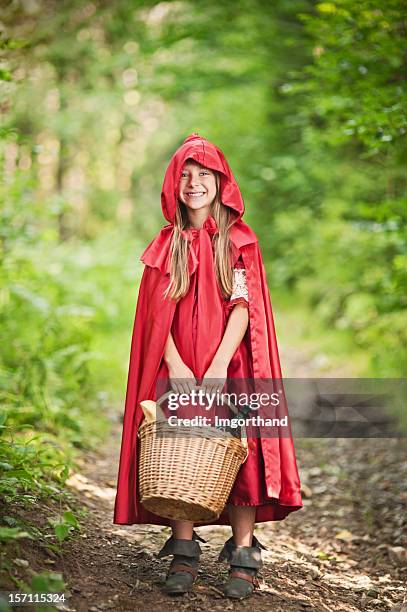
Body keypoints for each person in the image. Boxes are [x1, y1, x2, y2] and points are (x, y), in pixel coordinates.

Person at [113, 133, 303, 600]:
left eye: (204, 174)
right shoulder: (168, 245)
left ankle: (243, 552)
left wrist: (219, 366)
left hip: (230, 361)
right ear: (173, 184)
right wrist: (176, 365)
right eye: (185, 174)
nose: (194, 182)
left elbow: (245, 305)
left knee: (242, 452)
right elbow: (159, 315)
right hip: (179, 363)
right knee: (179, 449)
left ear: (221, 181)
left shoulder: (239, 241)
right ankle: (183, 545)